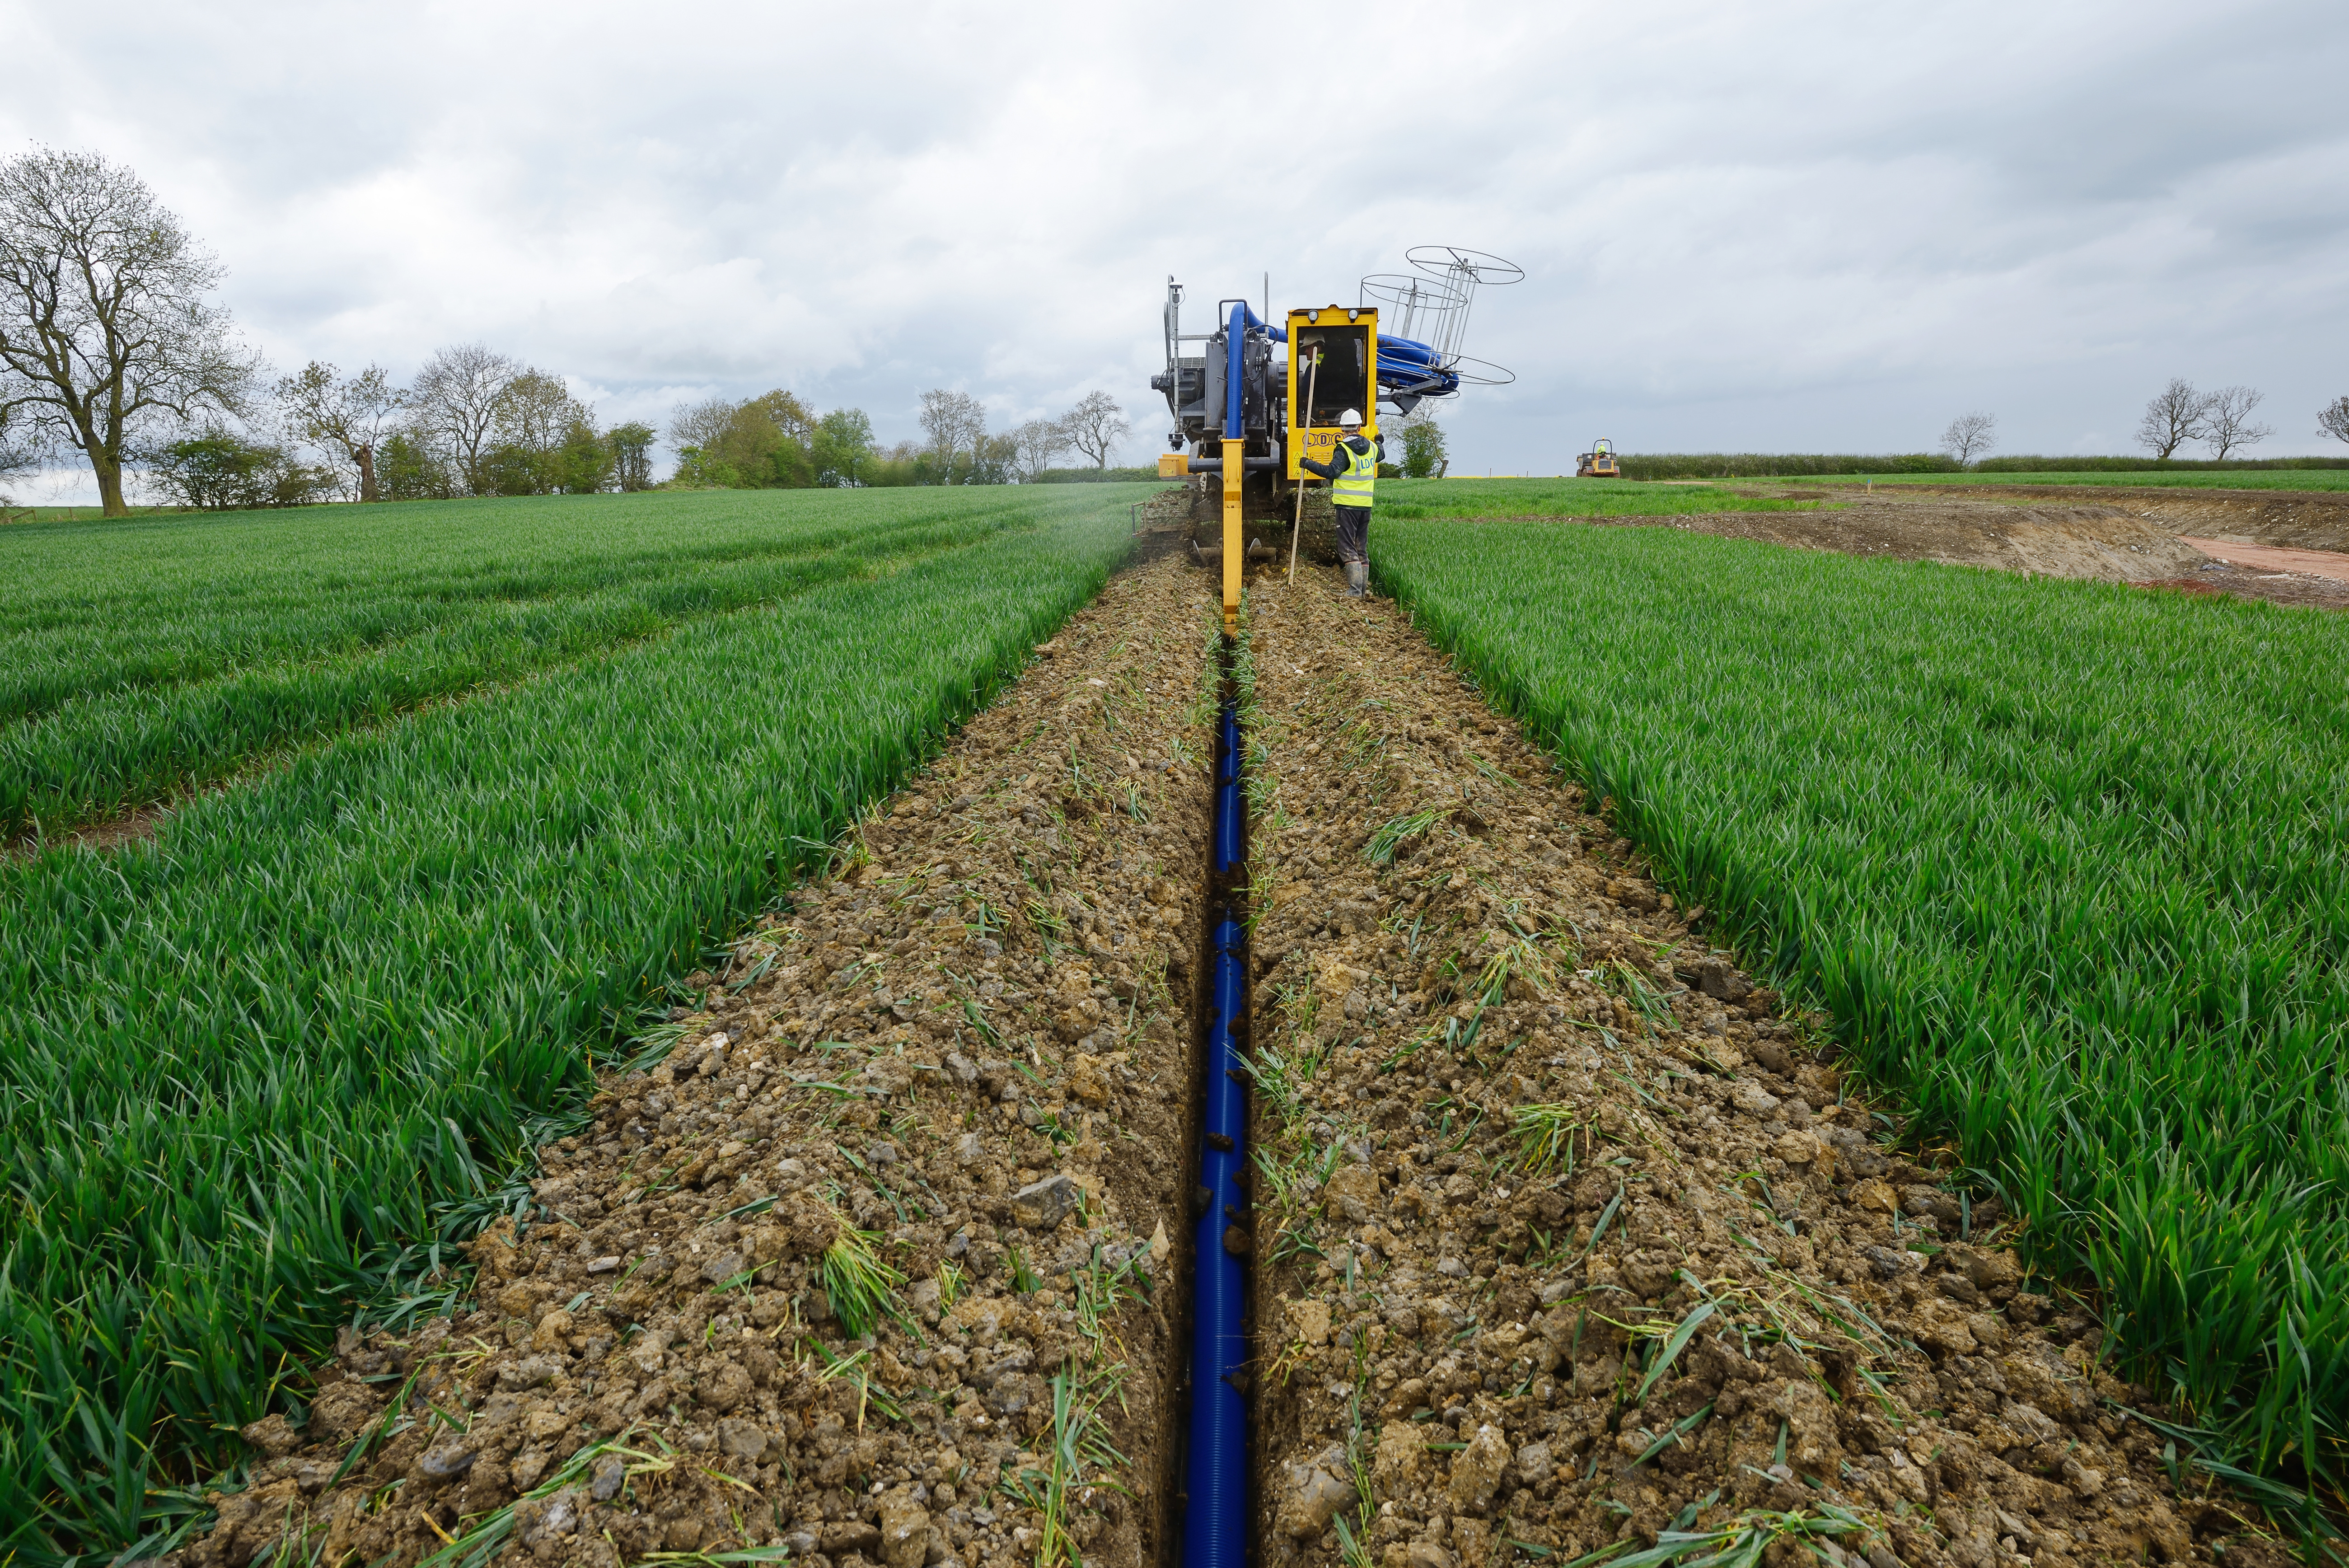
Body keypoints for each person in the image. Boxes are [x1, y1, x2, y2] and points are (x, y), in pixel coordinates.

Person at [1300, 408, 1384, 597]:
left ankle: (1354, 591)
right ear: (1359, 427)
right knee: (1361, 549)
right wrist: (1379, 440)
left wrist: (1308, 463)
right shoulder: (1372, 447)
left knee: (1347, 548)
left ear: (1342, 429)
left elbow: (1333, 472)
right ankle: (1362, 591)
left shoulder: (1344, 449)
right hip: (1365, 506)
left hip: (1347, 506)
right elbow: (1381, 455)